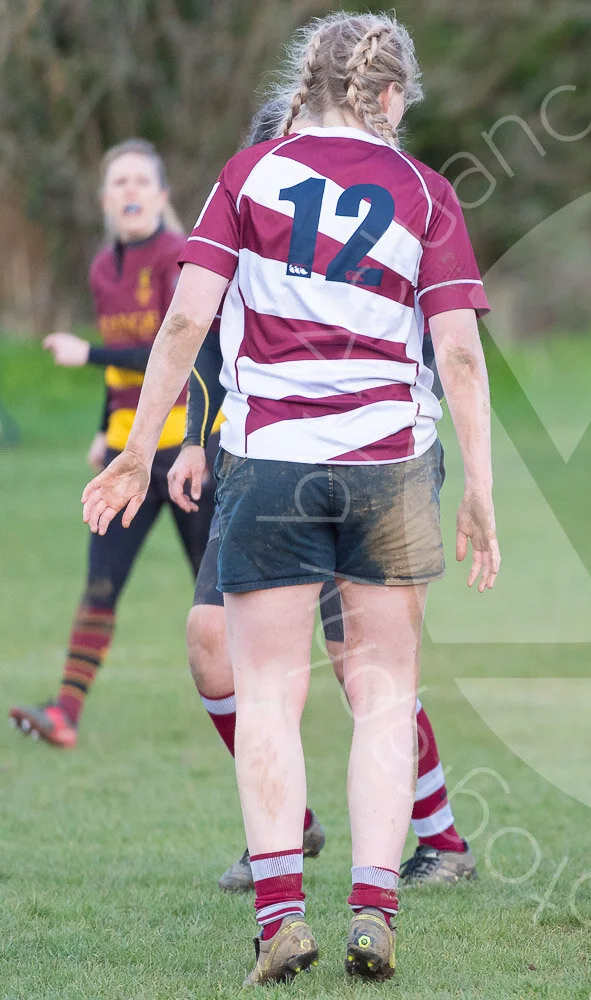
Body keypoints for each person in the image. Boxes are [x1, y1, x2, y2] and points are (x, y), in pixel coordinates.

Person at [81, 12, 499, 986]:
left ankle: (279, 916)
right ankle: (374, 910)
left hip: (269, 459)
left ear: (304, 86)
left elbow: (188, 319)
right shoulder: (425, 191)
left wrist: (141, 451)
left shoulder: (246, 176)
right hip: (390, 461)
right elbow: (462, 352)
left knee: (269, 691)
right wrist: (478, 483)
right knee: (384, 693)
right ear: (391, 97)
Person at [167, 99, 475, 893]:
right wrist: (191, 438)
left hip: (362, 465)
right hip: (261, 462)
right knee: (211, 648)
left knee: (362, 666)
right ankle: (287, 824)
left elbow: (437, 344)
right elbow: (203, 339)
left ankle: (441, 840)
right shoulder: (245, 208)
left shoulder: (396, 210)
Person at [11, 139, 217, 749]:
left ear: (160, 195)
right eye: (117, 183)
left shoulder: (181, 256)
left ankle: (258, 705)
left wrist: (88, 353)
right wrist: (105, 427)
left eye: (139, 181)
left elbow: (170, 354)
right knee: (100, 581)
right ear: (105, 200)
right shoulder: (104, 268)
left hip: (191, 451)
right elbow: (122, 370)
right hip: (130, 454)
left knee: (218, 596)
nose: (128, 191)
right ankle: (65, 713)